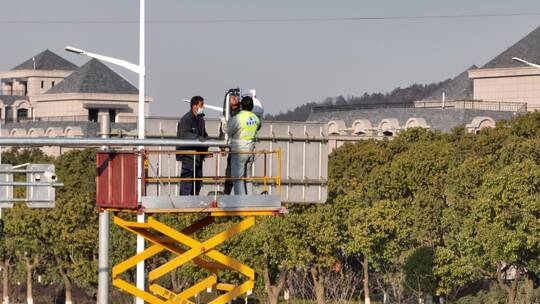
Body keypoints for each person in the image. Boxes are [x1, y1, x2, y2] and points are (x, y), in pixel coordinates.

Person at [223, 96, 261, 195]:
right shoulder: (255, 118)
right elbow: (259, 126)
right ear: (252, 107)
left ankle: (241, 202)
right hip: (250, 151)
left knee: (238, 178)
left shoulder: (238, 118)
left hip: (239, 152)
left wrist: (223, 121)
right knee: (248, 178)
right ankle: (249, 200)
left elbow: (227, 130)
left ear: (241, 106)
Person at [176, 96, 208, 195]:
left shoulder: (200, 119)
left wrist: (206, 150)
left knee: (198, 182)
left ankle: (194, 205)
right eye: (201, 105)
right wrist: (197, 138)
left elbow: (204, 135)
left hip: (198, 156)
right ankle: (183, 206)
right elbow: (184, 134)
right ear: (194, 106)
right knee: (187, 182)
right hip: (188, 156)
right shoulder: (186, 119)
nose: (203, 107)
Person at [222, 89, 241, 195]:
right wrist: (222, 146)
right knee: (229, 172)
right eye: (232, 96)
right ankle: (226, 194)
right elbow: (222, 129)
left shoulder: (241, 112)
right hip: (231, 147)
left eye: (236, 96)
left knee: (240, 173)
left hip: (239, 146)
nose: (234, 98)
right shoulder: (227, 112)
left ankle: (240, 195)